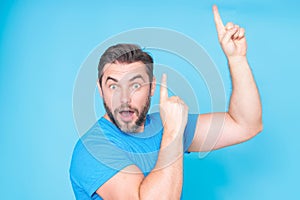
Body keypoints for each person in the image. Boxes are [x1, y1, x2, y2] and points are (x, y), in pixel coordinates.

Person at [70, 5, 263, 200]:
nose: (124, 98)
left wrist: (237, 59)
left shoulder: (164, 124)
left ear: (152, 88)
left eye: (135, 85)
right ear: (100, 90)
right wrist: (173, 133)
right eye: (113, 87)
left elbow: (245, 125)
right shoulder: (92, 149)